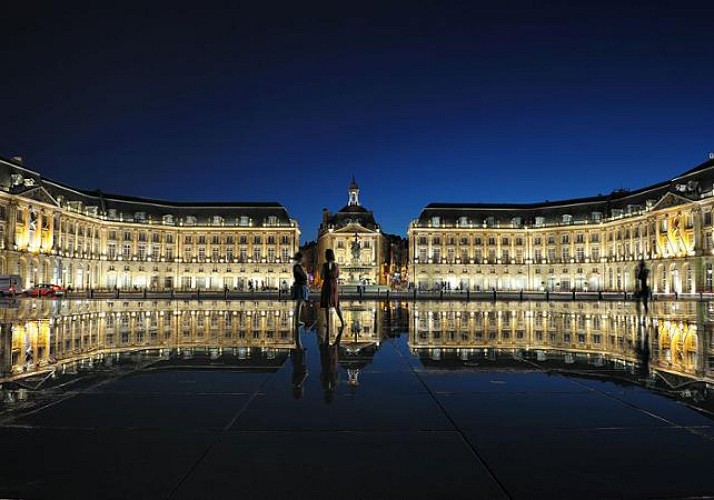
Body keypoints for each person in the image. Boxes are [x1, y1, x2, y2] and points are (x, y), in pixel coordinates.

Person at [320, 249, 345, 329]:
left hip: (327, 284)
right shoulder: (336, 265)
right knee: (336, 304)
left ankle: (327, 323)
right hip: (334, 285)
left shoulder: (324, 265)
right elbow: (337, 275)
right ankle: (342, 322)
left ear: (326, 256)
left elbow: (322, 276)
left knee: (327, 305)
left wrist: (327, 275)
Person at [292, 252, 309, 329]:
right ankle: (297, 321)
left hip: (301, 285)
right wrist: (305, 272)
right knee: (299, 303)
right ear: (300, 259)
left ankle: (297, 320)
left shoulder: (298, 266)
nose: (303, 259)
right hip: (301, 285)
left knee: (300, 303)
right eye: (302, 258)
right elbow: (304, 276)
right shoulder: (297, 266)